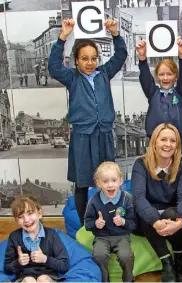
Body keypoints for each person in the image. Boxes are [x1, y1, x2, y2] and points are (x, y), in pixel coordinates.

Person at [48, 19, 127, 227]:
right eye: (84, 59)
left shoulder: (104, 73)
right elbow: (53, 67)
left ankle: (110, 218)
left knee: (108, 180)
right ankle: (86, 224)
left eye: (93, 58)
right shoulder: (71, 77)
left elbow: (121, 56)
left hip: (103, 135)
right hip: (82, 137)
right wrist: (63, 36)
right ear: (76, 61)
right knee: (82, 182)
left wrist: (115, 34)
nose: (90, 63)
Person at [131, 123, 182, 282]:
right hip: (147, 218)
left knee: (173, 213)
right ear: (154, 142)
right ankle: (167, 263)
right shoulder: (141, 164)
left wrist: (179, 222)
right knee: (145, 213)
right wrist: (156, 222)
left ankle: (180, 259)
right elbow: (138, 197)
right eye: (163, 139)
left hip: (170, 212)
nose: (168, 144)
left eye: (172, 141)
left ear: (177, 145)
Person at [136, 38, 182, 162]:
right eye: (161, 74)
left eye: (169, 74)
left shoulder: (181, 93)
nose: (165, 78)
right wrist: (142, 58)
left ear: (176, 76)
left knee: (180, 176)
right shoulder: (152, 93)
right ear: (156, 77)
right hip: (156, 146)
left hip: (179, 145)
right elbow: (144, 76)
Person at [84, 162, 135, 282]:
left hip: (122, 236)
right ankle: (104, 280)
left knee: (126, 256)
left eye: (114, 180)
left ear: (120, 181)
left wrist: (123, 222)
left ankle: (128, 279)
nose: (110, 185)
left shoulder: (127, 198)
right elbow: (87, 223)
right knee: (99, 255)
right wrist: (96, 223)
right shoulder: (94, 201)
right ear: (98, 183)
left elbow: (133, 224)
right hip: (102, 237)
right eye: (105, 181)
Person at [4, 196, 69, 282]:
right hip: (24, 277)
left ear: (39, 213)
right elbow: (7, 268)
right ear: (16, 220)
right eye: (20, 217)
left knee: (43, 279)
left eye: (30, 213)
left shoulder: (52, 235)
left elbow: (64, 265)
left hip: (48, 276)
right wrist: (18, 263)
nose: (26, 220)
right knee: (29, 280)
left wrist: (45, 259)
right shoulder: (14, 237)